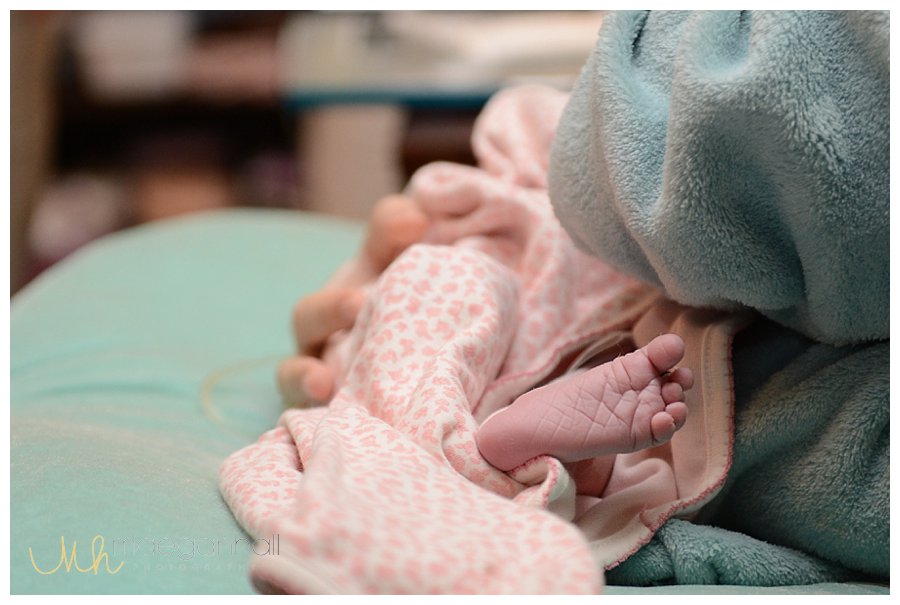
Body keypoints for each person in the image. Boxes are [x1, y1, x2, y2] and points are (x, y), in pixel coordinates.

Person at [278, 10, 888, 583]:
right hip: (580, 286)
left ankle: (499, 450)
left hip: (605, 299)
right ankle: (503, 446)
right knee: (815, 441)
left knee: (759, 428)